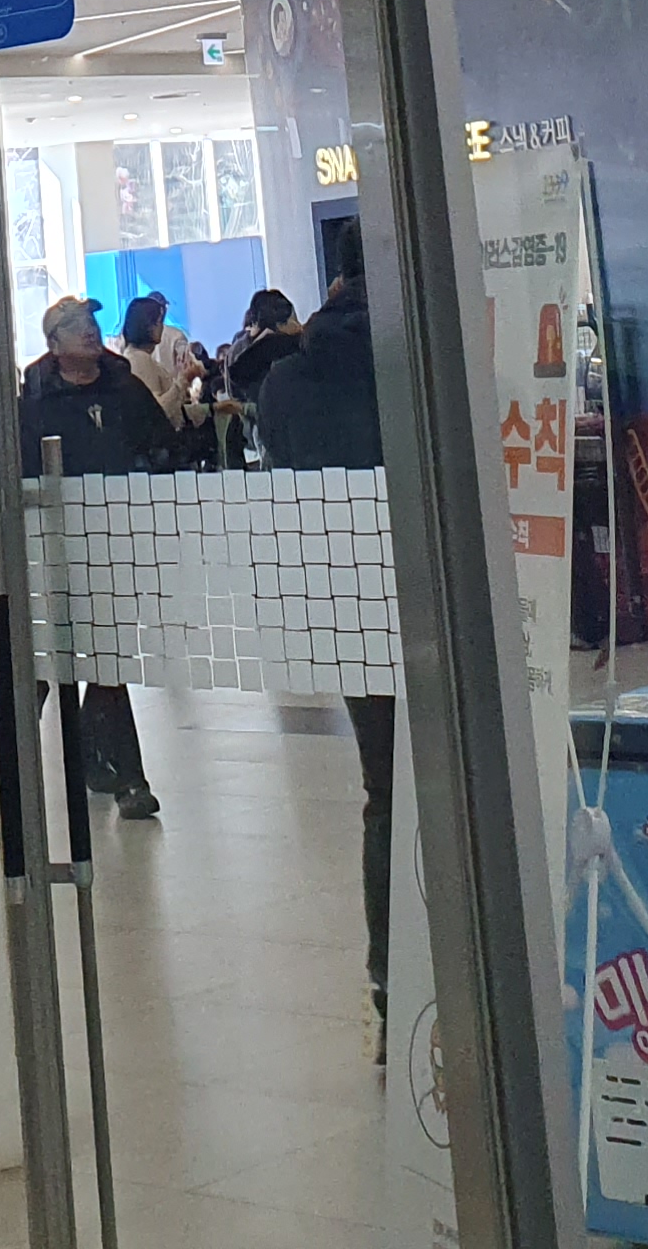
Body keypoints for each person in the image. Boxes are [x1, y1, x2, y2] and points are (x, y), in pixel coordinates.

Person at [255, 270, 396, 1038]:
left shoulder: (285, 379)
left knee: (386, 791)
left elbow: (280, 469)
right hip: (439, 587)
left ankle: (390, 979)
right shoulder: (419, 360)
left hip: (346, 600)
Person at [16, 296, 163, 820]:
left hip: (115, 549)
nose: (89, 330)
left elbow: (163, 448)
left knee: (106, 662)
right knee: (41, 667)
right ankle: (8, 777)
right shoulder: (34, 403)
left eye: (92, 321)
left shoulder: (125, 388)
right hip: (52, 552)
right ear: (53, 344)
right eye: (75, 324)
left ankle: (122, 775)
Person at [118, 289, 202, 433]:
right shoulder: (139, 360)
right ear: (147, 325)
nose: (162, 327)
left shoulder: (138, 356)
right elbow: (157, 411)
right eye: (158, 322)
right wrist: (183, 381)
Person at [220, 287, 305, 411]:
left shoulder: (235, 352)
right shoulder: (284, 350)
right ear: (280, 324)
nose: (299, 326)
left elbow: (234, 396)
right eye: (294, 320)